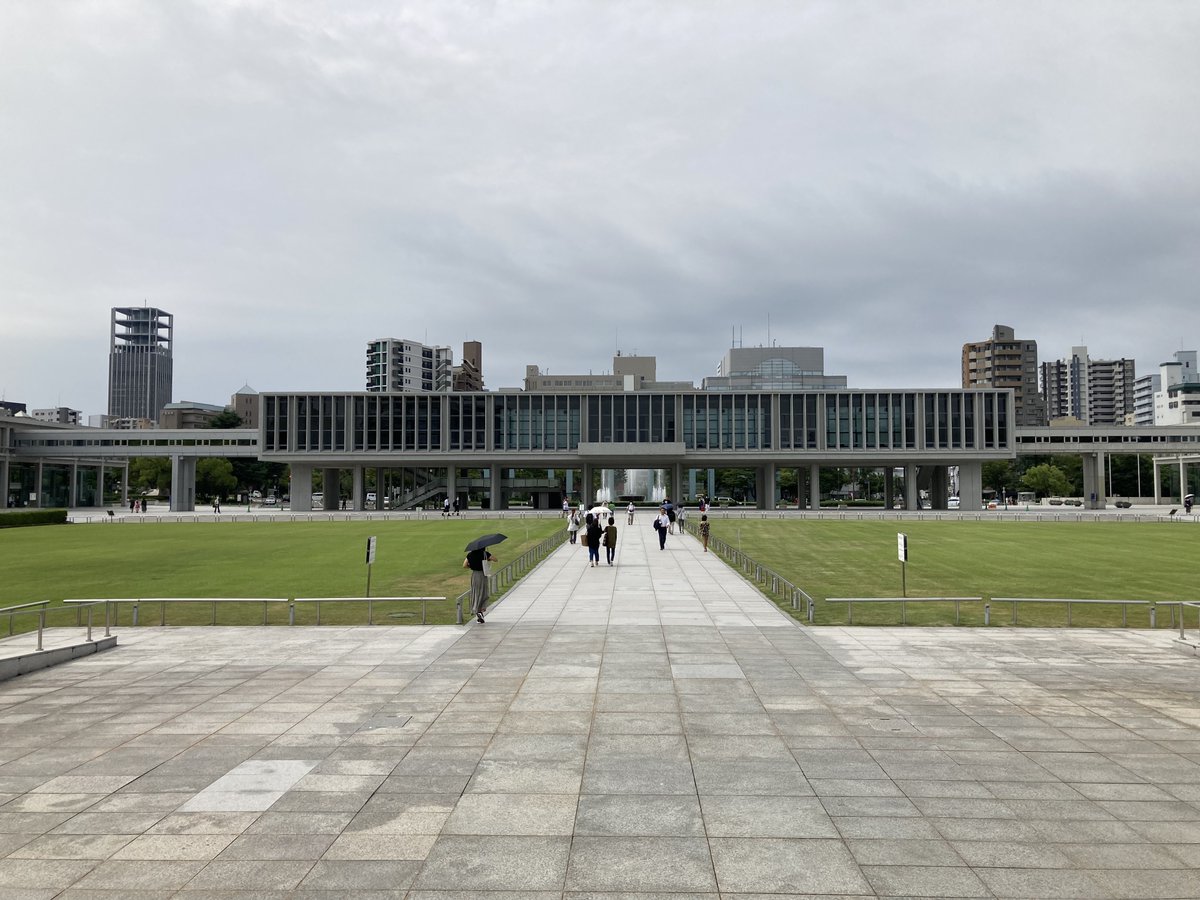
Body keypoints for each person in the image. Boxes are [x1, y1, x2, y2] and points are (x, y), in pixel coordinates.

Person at [463, 546, 497, 623]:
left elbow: (464, 565)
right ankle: (480, 610)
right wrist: (487, 557)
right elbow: (495, 559)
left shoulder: (470, 554)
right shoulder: (485, 554)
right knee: (483, 593)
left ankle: (478, 612)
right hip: (483, 575)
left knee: (476, 593)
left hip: (474, 575)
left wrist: (471, 566)